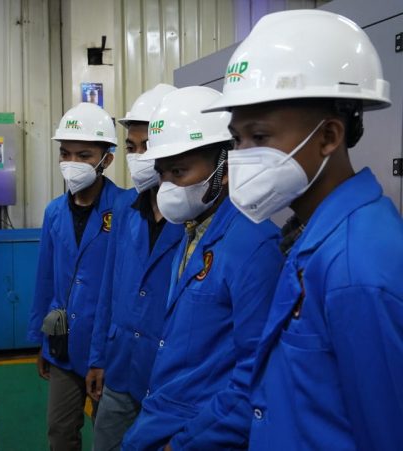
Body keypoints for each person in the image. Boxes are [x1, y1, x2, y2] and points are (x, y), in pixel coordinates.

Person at [203, 9, 403, 449]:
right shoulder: (313, 236)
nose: (242, 156)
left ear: (329, 136)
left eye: (259, 137)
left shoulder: (357, 269)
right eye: (236, 140)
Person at [121, 86, 284, 450]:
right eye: (162, 173)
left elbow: (256, 377)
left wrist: (184, 443)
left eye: (179, 171)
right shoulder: (193, 230)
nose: (167, 187)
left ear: (224, 167)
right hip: (165, 417)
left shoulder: (254, 246)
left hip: (198, 433)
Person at [86, 84, 184, 451]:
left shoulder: (191, 215)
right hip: (119, 366)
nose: (139, 157)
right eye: (132, 147)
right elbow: (108, 289)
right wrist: (98, 357)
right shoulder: (125, 208)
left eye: (148, 146)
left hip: (165, 377)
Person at [27, 102, 124, 451]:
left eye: (84, 155)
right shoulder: (54, 212)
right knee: (60, 431)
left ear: (106, 159)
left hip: (108, 346)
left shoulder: (126, 209)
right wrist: (41, 340)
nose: (72, 163)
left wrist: (104, 354)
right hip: (62, 345)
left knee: (108, 434)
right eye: (65, 153)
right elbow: (45, 281)